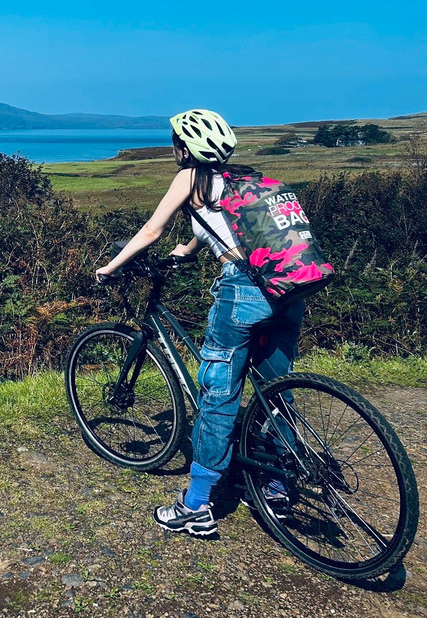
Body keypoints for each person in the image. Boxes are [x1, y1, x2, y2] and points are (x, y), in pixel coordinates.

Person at [95, 109, 305, 537]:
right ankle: (277, 482)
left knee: (218, 396)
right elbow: (226, 224)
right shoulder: (242, 179)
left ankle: (196, 506)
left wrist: (110, 268)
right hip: (290, 291)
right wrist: (190, 248)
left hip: (244, 292)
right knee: (274, 391)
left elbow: (151, 230)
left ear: (186, 149)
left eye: (176, 142)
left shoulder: (190, 177)